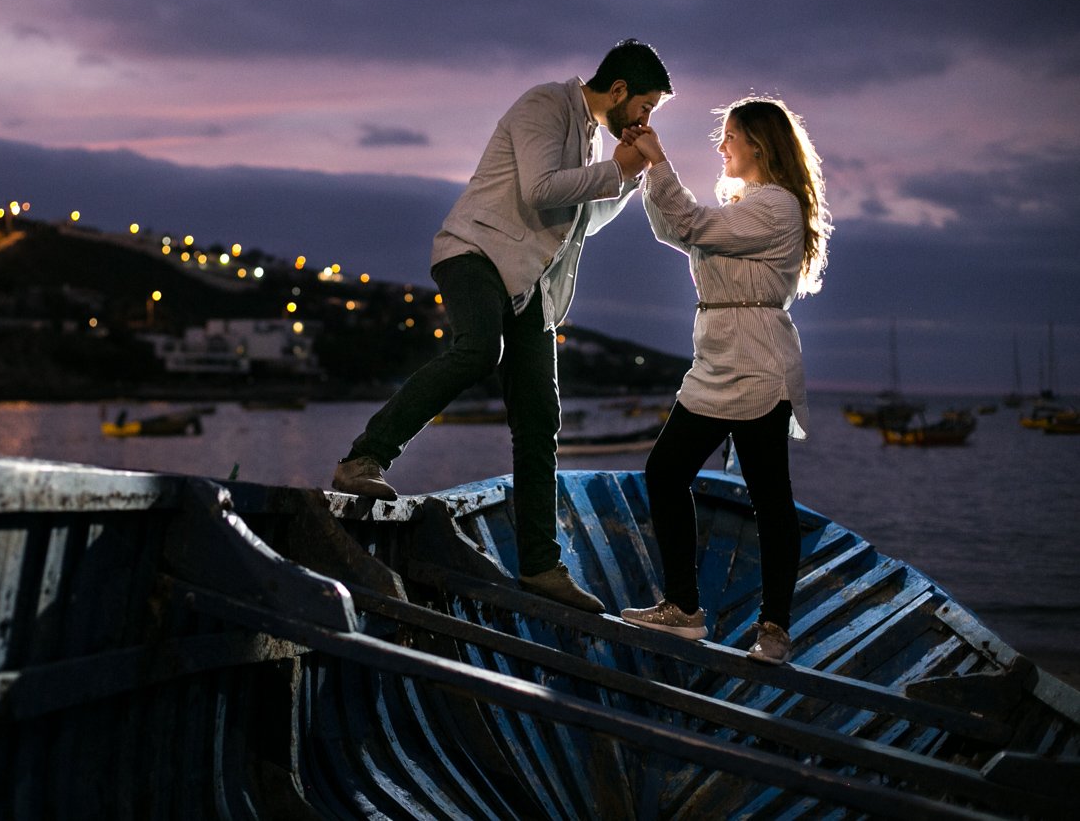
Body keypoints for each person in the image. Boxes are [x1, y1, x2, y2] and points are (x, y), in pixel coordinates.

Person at [332, 39, 673, 612]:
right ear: (618, 91)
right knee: (478, 351)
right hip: (475, 253)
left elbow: (583, 219)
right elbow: (540, 190)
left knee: (541, 416)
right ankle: (363, 460)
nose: (643, 120)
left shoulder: (592, 137)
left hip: (531, 285)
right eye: (645, 107)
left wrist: (630, 176)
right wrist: (615, 166)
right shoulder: (544, 105)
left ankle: (541, 566)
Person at [618, 96, 832, 663]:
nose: (722, 147)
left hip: (759, 362)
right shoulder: (741, 207)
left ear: (758, 145)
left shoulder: (776, 207)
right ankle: (684, 610)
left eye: (730, 136)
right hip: (716, 361)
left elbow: (688, 222)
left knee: (769, 497)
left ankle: (775, 627)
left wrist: (659, 159)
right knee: (665, 472)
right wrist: (646, 166)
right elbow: (676, 229)